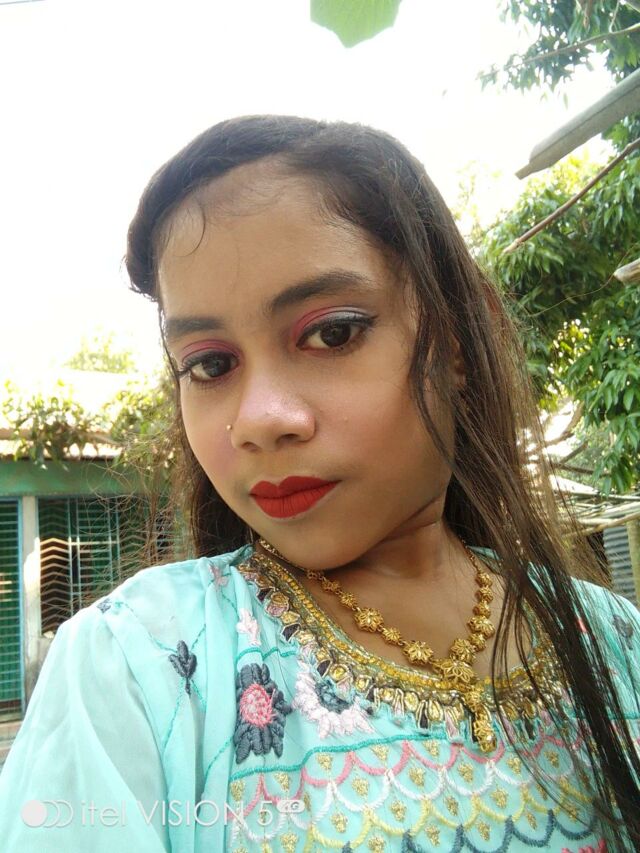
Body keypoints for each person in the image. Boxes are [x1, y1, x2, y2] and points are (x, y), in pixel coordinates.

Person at [1, 115, 639, 853]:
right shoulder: (134, 669)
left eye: (332, 332)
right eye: (209, 364)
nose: (258, 421)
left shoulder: (614, 640)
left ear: (457, 347)